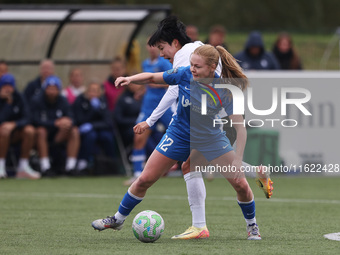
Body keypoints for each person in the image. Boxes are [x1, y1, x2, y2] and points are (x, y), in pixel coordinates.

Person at [92, 44, 262, 240]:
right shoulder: (184, 74)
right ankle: (117, 219)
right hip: (178, 134)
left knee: (240, 184)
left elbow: (240, 128)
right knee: (145, 179)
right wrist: (130, 78)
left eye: (197, 66)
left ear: (212, 67)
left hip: (210, 138)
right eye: (191, 64)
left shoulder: (225, 89)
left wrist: (238, 159)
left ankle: (252, 226)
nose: (192, 69)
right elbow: (152, 77)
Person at [124, 43, 173, 186]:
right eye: (149, 45)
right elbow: (148, 84)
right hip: (148, 108)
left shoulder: (164, 62)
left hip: (164, 107)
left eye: (155, 46)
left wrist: (156, 84)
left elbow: (173, 82)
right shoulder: (145, 63)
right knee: (138, 137)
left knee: (181, 134)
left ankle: (197, 164)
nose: (152, 48)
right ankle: (137, 175)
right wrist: (142, 91)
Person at [30, 76, 80, 176]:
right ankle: (45, 167)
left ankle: (70, 167)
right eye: (49, 88)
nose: (52, 91)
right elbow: (34, 120)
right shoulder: (37, 100)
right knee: (41, 131)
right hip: (42, 136)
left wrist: (67, 122)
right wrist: (54, 123)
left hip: (58, 134)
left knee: (74, 131)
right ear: (45, 89)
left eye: (54, 89)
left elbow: (72, 118)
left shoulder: (63, 100)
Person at [0, 74, 41, 179]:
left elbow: (27, 117)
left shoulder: (19, 97)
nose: (8, 88)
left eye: (10, 86)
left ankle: (23, 167)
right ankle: (1, 166)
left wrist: (14, 124)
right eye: (5, 85)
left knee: (30, 130)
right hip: (2, 133)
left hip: (15, 133)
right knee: (4, 130)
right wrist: (7, 104)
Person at [73, 82, 115, 173]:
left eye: (96, 91)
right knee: (90, 136)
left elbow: (107, 122)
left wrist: (93, 124)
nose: (93, 93)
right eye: (91, 91)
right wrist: (91, 110)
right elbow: (80, 119)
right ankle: (83, 162)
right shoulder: (80, 100)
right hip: (85, 130)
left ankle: (111, 162)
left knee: (107, 137)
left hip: (99, 128)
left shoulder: (103, 101)